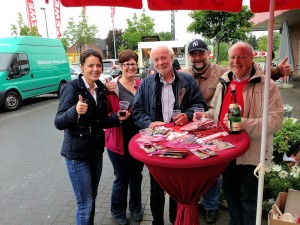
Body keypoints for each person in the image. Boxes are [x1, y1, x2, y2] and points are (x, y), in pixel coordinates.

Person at [183, 39, 291, 224]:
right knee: (231, 196)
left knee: (249, 200)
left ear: (251, 58)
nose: (236, 61)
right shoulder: (225, 81)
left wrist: (243, 123)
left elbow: (275, 121)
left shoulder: (267, 86)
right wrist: (204, 116)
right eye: (233, 57)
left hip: (250, 155)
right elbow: (217, 112)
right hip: (225, 151)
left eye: (242, 56)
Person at [132, 45, 207, 225]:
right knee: (156, 187)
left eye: (164, 58)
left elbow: (200, 105)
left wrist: (187, 115)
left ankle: (176, 220)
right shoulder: (147, 83)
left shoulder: (187, 80)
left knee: (177, 187)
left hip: (181, 141)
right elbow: (137, 111)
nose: (160, 62)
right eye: (156, 59)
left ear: (172, 58)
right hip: (156, 142)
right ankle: (157, 221)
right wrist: (149, 123)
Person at [54, 48, 129, 225]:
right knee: (85, 203)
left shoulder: (100, 89)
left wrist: (116, 118)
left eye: (98, 65)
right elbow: (58, 122)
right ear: (81, 67)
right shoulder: (71, 88)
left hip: (96, 152)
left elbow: (100, 121)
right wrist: (74, 111)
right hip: (77, 155)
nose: (95, 69)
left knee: (92, 197)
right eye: (90, 66)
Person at [105, 50, 144, 225]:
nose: (130, 67)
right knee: (122, 177)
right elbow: (103, 112)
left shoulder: (141, 84)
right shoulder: (112, 87)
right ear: (120, 66)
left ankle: (135, 207)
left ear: (137, 65)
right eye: (126, 64)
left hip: (139, 139)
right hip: (118, 139)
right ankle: (117, 210)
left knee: (137, 175)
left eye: (133, 63)